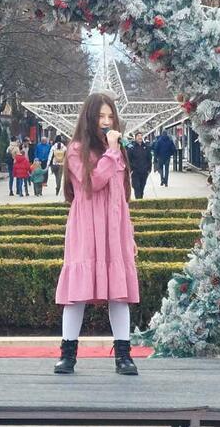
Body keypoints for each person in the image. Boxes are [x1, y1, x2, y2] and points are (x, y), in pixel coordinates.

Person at [54, 93, 139, 376]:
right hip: (86, 227)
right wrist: (112, 152)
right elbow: (94, 182)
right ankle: (67, 354)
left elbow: (121, 197)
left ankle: (124, 355)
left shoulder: (117, 151)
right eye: (100, 116)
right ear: (89, 119)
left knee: (119, 294)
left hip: (114, 230)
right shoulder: (77, 150)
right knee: (76, 294)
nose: (106, 122)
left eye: (110, 116)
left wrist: (129, 235)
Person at [127, 132, 152, 200]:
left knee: (142, 188)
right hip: (135, 172)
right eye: (138, 136)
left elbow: (149, 158)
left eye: (141, 136)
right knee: (136, 187)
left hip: (144, 172)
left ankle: (140, 200)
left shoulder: (146, 147)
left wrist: (149, 169)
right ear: (135, 138)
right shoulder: (131, 148)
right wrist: (131, 169)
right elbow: (128, 159)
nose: (140, 137)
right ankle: (138, 202)